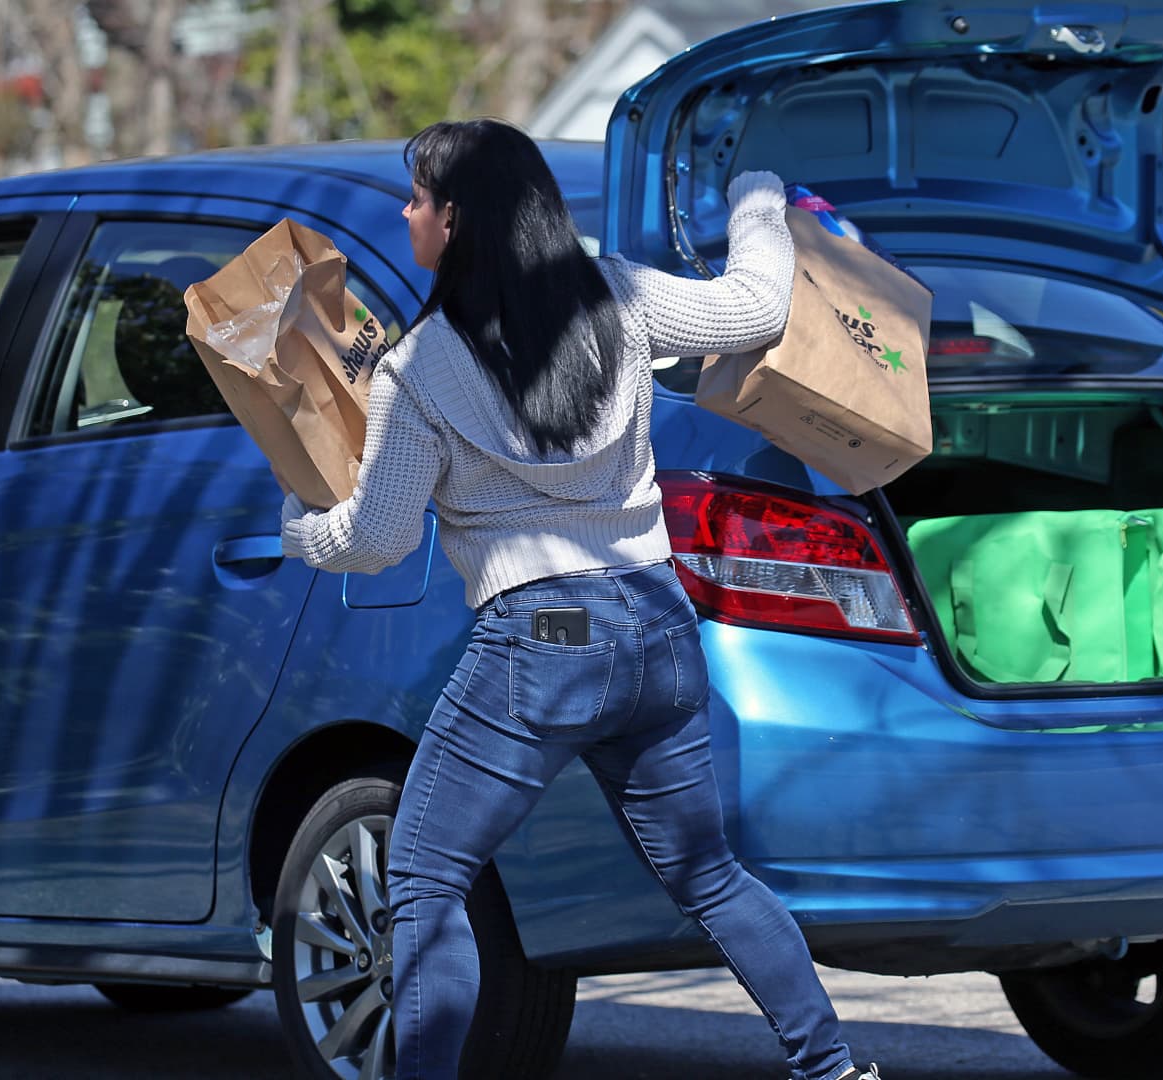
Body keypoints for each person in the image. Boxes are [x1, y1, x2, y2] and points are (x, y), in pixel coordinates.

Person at [279, 118, 878, 1080]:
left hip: (541, 642)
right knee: (708, 875)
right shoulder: (619, 294)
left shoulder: (422, 366)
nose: (407, 213)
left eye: (421, 197)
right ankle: (836, 1068)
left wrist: (301, 527)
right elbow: (760, 307)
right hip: (657, 624)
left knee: (427, 879)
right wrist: (757, 196)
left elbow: (377, 539)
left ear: (458, 219)